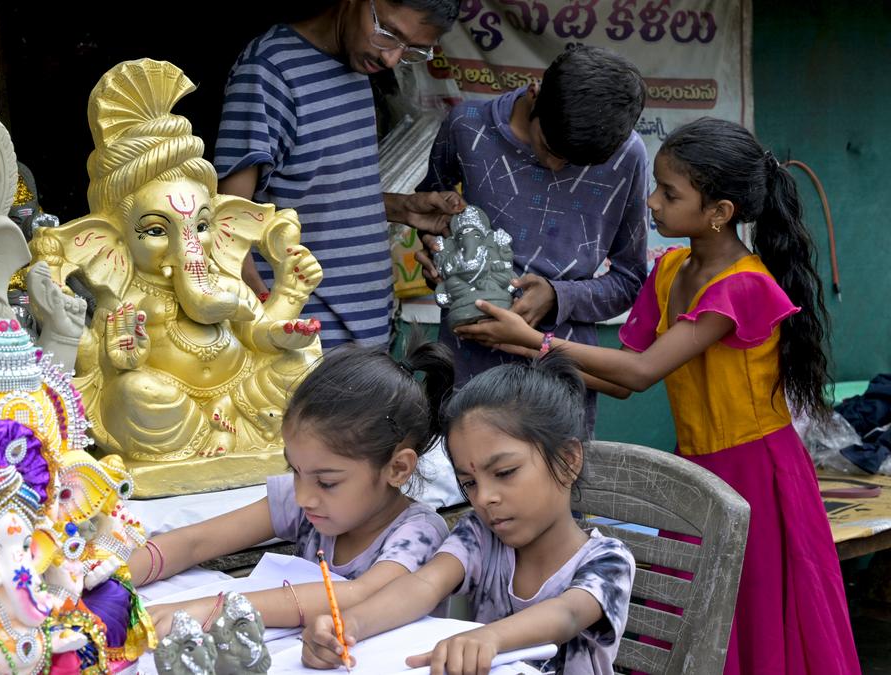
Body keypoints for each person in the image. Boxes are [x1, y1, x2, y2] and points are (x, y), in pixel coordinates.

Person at [465, 117, 860, 673]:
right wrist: (529, 353)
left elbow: (642, 372)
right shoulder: (672, 269)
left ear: (720, 212)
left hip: (758, 474)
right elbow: (622, 380)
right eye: (656, 185)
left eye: (669, 193)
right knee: (698, 622)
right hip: (698, 468)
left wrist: (534, 339)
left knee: (753, 620)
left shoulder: (744, 286)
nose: (651, 201)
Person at [302, 353, 635, 674]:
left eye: (505, 472)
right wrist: (350, 623)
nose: (484, 497)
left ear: (568, 460)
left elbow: (567, 615)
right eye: (469, 482)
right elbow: (423, 585)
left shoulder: (608, 560)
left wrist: (490, 637)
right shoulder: (480, 534)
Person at [387, 44, 649, 430]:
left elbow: (629, 282)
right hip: (462, 371)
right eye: (550, 149)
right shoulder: (467, 126)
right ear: (534, 94)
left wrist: (559, 296)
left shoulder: (627, 155)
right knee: (455, 484)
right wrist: (435, 254)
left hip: (558, 387)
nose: (556, 165)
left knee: (550, 488)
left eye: (574, 164)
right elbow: (431, 219)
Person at [127, 337, 454, 635]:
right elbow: (196, 542)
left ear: (397, 469)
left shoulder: (419, 532)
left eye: (327, 482)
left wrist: (211, 609)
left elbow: (359, 595)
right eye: (294, 470)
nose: (302, 496)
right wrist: (115, 576)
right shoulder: (311, 501)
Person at [214, 0, 460, 347]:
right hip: (306, 347)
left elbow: (313, 191)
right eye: (388, 32)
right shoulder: (270, 71)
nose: (391, 58)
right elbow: (228, 225)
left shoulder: (358, 66)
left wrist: (402, 208)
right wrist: (269, 323)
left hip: (366, 340)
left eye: (412, 50)